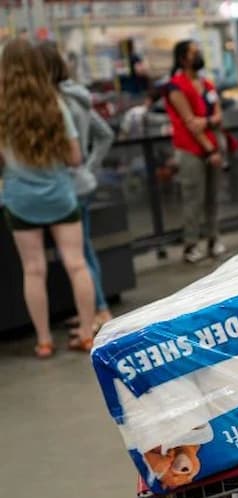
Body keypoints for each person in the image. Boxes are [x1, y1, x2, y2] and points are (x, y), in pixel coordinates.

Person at [0, 38, 96, 357]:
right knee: (77, 264)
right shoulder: (55, 104)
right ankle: (86, 333)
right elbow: (75, 157)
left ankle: (43, 341)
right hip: (59, 195)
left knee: (33, 269)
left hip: (20, 199)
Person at [38, 41, 115, 337]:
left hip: (66, 186)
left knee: (79, 255)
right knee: (84, 251)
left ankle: (100, 310)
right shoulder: (79, 97)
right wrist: (90, 168)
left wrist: (82, 167)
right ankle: (95, 308)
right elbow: (104, 134)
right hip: (82, 183)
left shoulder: (56, 103)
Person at [166, 39, 225, 263]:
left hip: (213, 148)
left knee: (213, 197)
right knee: (193, 198)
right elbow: (190, 123)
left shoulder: (207, 85)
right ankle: (191, 244)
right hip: (190, 150)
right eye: (193, 52)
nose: (198, 55)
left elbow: (218, 117)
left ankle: (213, 238)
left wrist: (207, 121)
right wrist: (210, 150)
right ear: (183, 58)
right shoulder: (175, 86)